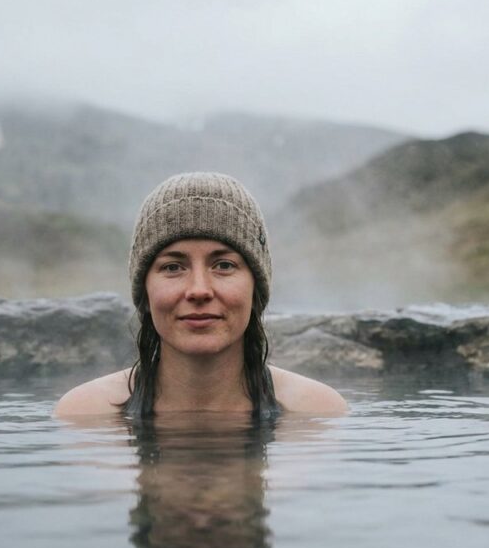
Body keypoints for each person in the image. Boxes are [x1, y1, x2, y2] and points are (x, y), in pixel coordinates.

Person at [54, 172, 347, 417]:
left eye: (223, 265)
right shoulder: (84, 416)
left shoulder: (316, 415)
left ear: (256, 285)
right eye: (172, 267)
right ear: (145, 289)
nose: (198, 290)